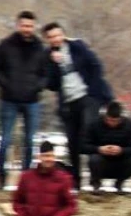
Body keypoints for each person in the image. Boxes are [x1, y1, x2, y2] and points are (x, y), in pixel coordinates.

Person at [43, 22, 113, 190]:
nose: (56, 39)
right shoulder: (47, 56)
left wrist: (93, 92)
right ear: (47, 39)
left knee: (88, 135)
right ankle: (76, 180)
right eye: (51, 37)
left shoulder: (77, 46)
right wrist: (54, 64)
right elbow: (51, 85)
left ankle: (95, 180)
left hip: (87, 97)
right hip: (68, 102)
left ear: (63, 35)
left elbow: (96, 66)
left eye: (58, 35)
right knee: (72, 141)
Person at [0, 10, 48, 189]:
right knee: (5, 140)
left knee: (29, 141)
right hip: (9, 100)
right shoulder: (5, 45)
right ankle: (1, 179)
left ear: (34, 27)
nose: (27, 29)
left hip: (32, 101)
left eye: (30, 26)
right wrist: (6, 85)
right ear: (18, 25)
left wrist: (37, 87)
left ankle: (25, 180)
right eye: (24, 25)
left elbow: (46, 74)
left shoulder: (40, 48)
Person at [82, 100, 131, 194]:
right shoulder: (94, 124)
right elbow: (83, 146)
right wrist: (99, 149)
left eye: (115, 121)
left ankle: (120, 183)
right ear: (105, 116)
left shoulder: (130, 125)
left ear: (120, 118)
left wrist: (122, 150)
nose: (111, 123)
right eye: (109, 120)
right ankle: (96, 184)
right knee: (94, 159)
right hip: (101, 161)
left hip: (121, 161)